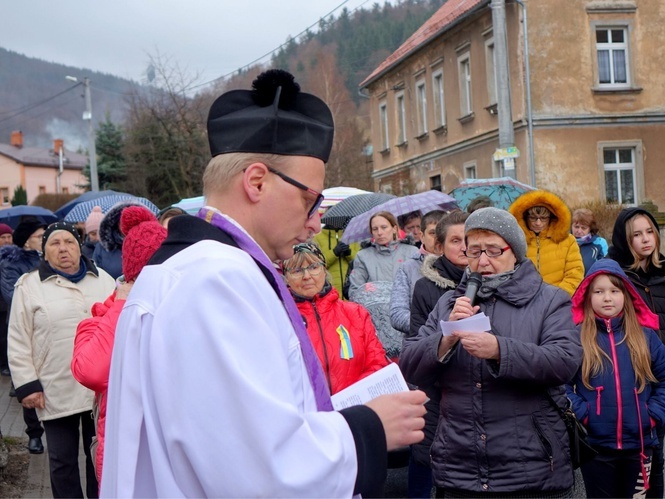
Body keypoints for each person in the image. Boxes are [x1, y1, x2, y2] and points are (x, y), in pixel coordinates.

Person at [101, 69, 426, 497]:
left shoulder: (182, 270)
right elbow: (261, 470)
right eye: (310, 200)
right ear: (256, 182)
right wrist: (370, 427)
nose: (315, 223)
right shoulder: (219, 281)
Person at [400, 207, 583, 497]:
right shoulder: (450, 303)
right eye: (474, 252)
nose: (483, 261)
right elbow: (409, 364)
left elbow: (564, 361)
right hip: (460, 470)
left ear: (515, 253)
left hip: (532, 470)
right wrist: (445, 338)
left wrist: (500, 350)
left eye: (494, 251)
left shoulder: (549, 300)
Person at [8, 222, 115, 498]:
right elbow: (18, 337)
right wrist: (27, 384)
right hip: (55, 385)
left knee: (100, 458)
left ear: (79, 246)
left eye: (69, 241)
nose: (63, 248)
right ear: (44, 252)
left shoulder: (103, 279)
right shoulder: (29, 285)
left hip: (99, 388)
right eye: (55, 243)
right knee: (61, 461)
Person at [566, 259, 665, 498]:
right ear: (587, 296)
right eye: (599, 291)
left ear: (626, 295)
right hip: (595, 448)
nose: (607, 297)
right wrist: (583, 414)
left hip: (639, 447)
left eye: (614, 290)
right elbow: (560, 383)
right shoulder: (577, 339)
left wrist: (653, 415)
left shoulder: (646, 338)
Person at [71, 206, 168, 483]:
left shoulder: (177, 310)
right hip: (124, 461)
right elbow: (91, 372)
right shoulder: (101, 318)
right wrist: (122, 303)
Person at [607, 207, 665, 498]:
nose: (646, 240)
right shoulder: (612, 276)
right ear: (624, 238)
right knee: (616, 462)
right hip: (620, 383)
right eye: (637, 234)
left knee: (653, 455)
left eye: (650, 232)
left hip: (658, 383)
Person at [406, 210, 468, 499]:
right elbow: (417, 343)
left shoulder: (490, 280)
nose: (465, 247)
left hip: (476, 390)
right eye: (456, 240)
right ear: (440, 246)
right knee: (426, 459)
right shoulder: (425, 287)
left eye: (470, 239)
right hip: (437, 391)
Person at [283, 242, 388, 395]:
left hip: (354, 410)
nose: (306, 276)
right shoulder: (281, 319)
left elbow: (377, 363)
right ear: (286, 277)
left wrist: (351, 398)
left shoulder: (355, 313)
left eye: (313, 267)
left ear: (324, 270)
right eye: (297, 270)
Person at [0, 219, 47, 453]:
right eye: (40, 236)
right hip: (24, 327)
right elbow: (11, 295)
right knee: (29, 377)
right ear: (28, 240)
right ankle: (34, 433)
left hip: (49, 327)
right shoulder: (11, 263)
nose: (44, 238)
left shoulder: (49, 259)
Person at [349, 211, 420, 359]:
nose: (380, 233)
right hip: (376, 326)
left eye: (384, 227)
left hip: (406, 322)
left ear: (394, 228)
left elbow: (420, 286)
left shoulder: (412, 252)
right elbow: (355, 292)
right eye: (375, 229)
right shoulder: (363, 256)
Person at [509, 189, 584, 295]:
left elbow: (575, 274)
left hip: (558, 303)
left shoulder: (567, 241)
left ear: (552, 217)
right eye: (533, 218)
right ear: (525, 217)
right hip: (524, 303)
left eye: (543, 218)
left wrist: (556, 298)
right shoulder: (516, 242)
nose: (538, 223)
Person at [390, 210, 445, 334]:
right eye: (432, 233)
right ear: (422, 236)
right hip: (420, 342)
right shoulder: (407, 268)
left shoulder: (461, 265)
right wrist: (431, 326)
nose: (437, 238)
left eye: (441, 233)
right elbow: (397, 313)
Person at [314, 225, 361, 298]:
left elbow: (360, 262)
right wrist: (334, 252)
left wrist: (349, 253)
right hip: (329, 290)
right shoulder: (317, 238)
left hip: (350, 289)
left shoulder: (352, 237)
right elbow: (316, 264)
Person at [572, 208, 608, 273]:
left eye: (583, 228)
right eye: (576, 227)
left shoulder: (600, 243)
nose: (579, 231)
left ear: (590, 228)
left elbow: (606, 267)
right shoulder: (566, 242)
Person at [0, 223, 13, 376]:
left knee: (6, 336)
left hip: (6, 303)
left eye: (9, 237)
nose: (7, 240)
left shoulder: (14, 255)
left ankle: (6, 364)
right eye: (3, 237)